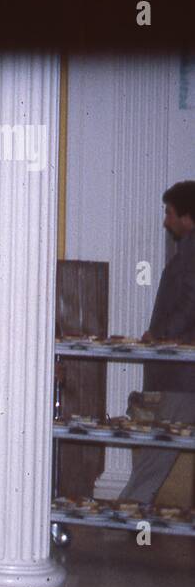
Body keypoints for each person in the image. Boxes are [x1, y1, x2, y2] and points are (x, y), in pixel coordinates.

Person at [124, 181, 195, 503]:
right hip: (180, 372)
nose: (166, 221)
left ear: (187, 217)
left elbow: (191, 301)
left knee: (160, 445)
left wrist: (163, 336)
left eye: (169, 213)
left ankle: (129, 508)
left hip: (182, 374)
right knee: (160, 444)